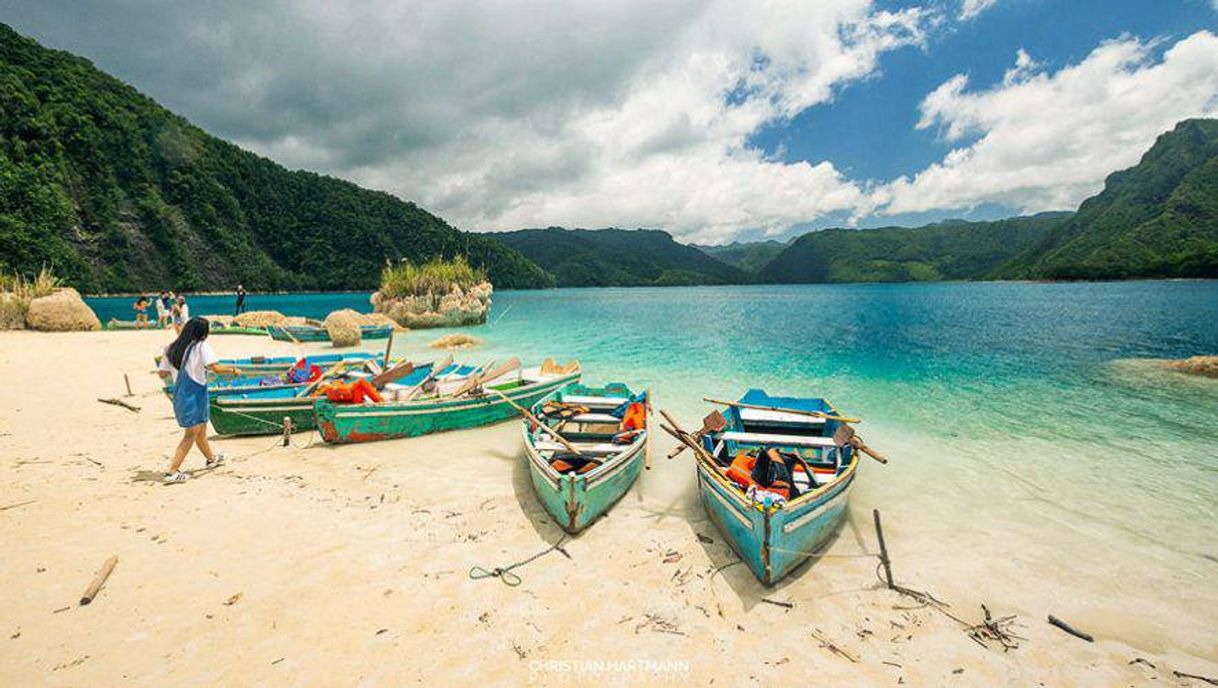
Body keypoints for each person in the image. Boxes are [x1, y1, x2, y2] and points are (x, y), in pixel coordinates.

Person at [156, 318, 242, 483]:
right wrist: (233, 370)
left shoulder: (169, 349)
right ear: (204, 333)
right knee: (191, 434)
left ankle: (211, 459)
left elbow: (162, 374)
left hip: (181, 395)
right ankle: (172, 471)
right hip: (194, 395)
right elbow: (215, 367)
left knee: (201, 430)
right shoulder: (201, 346)